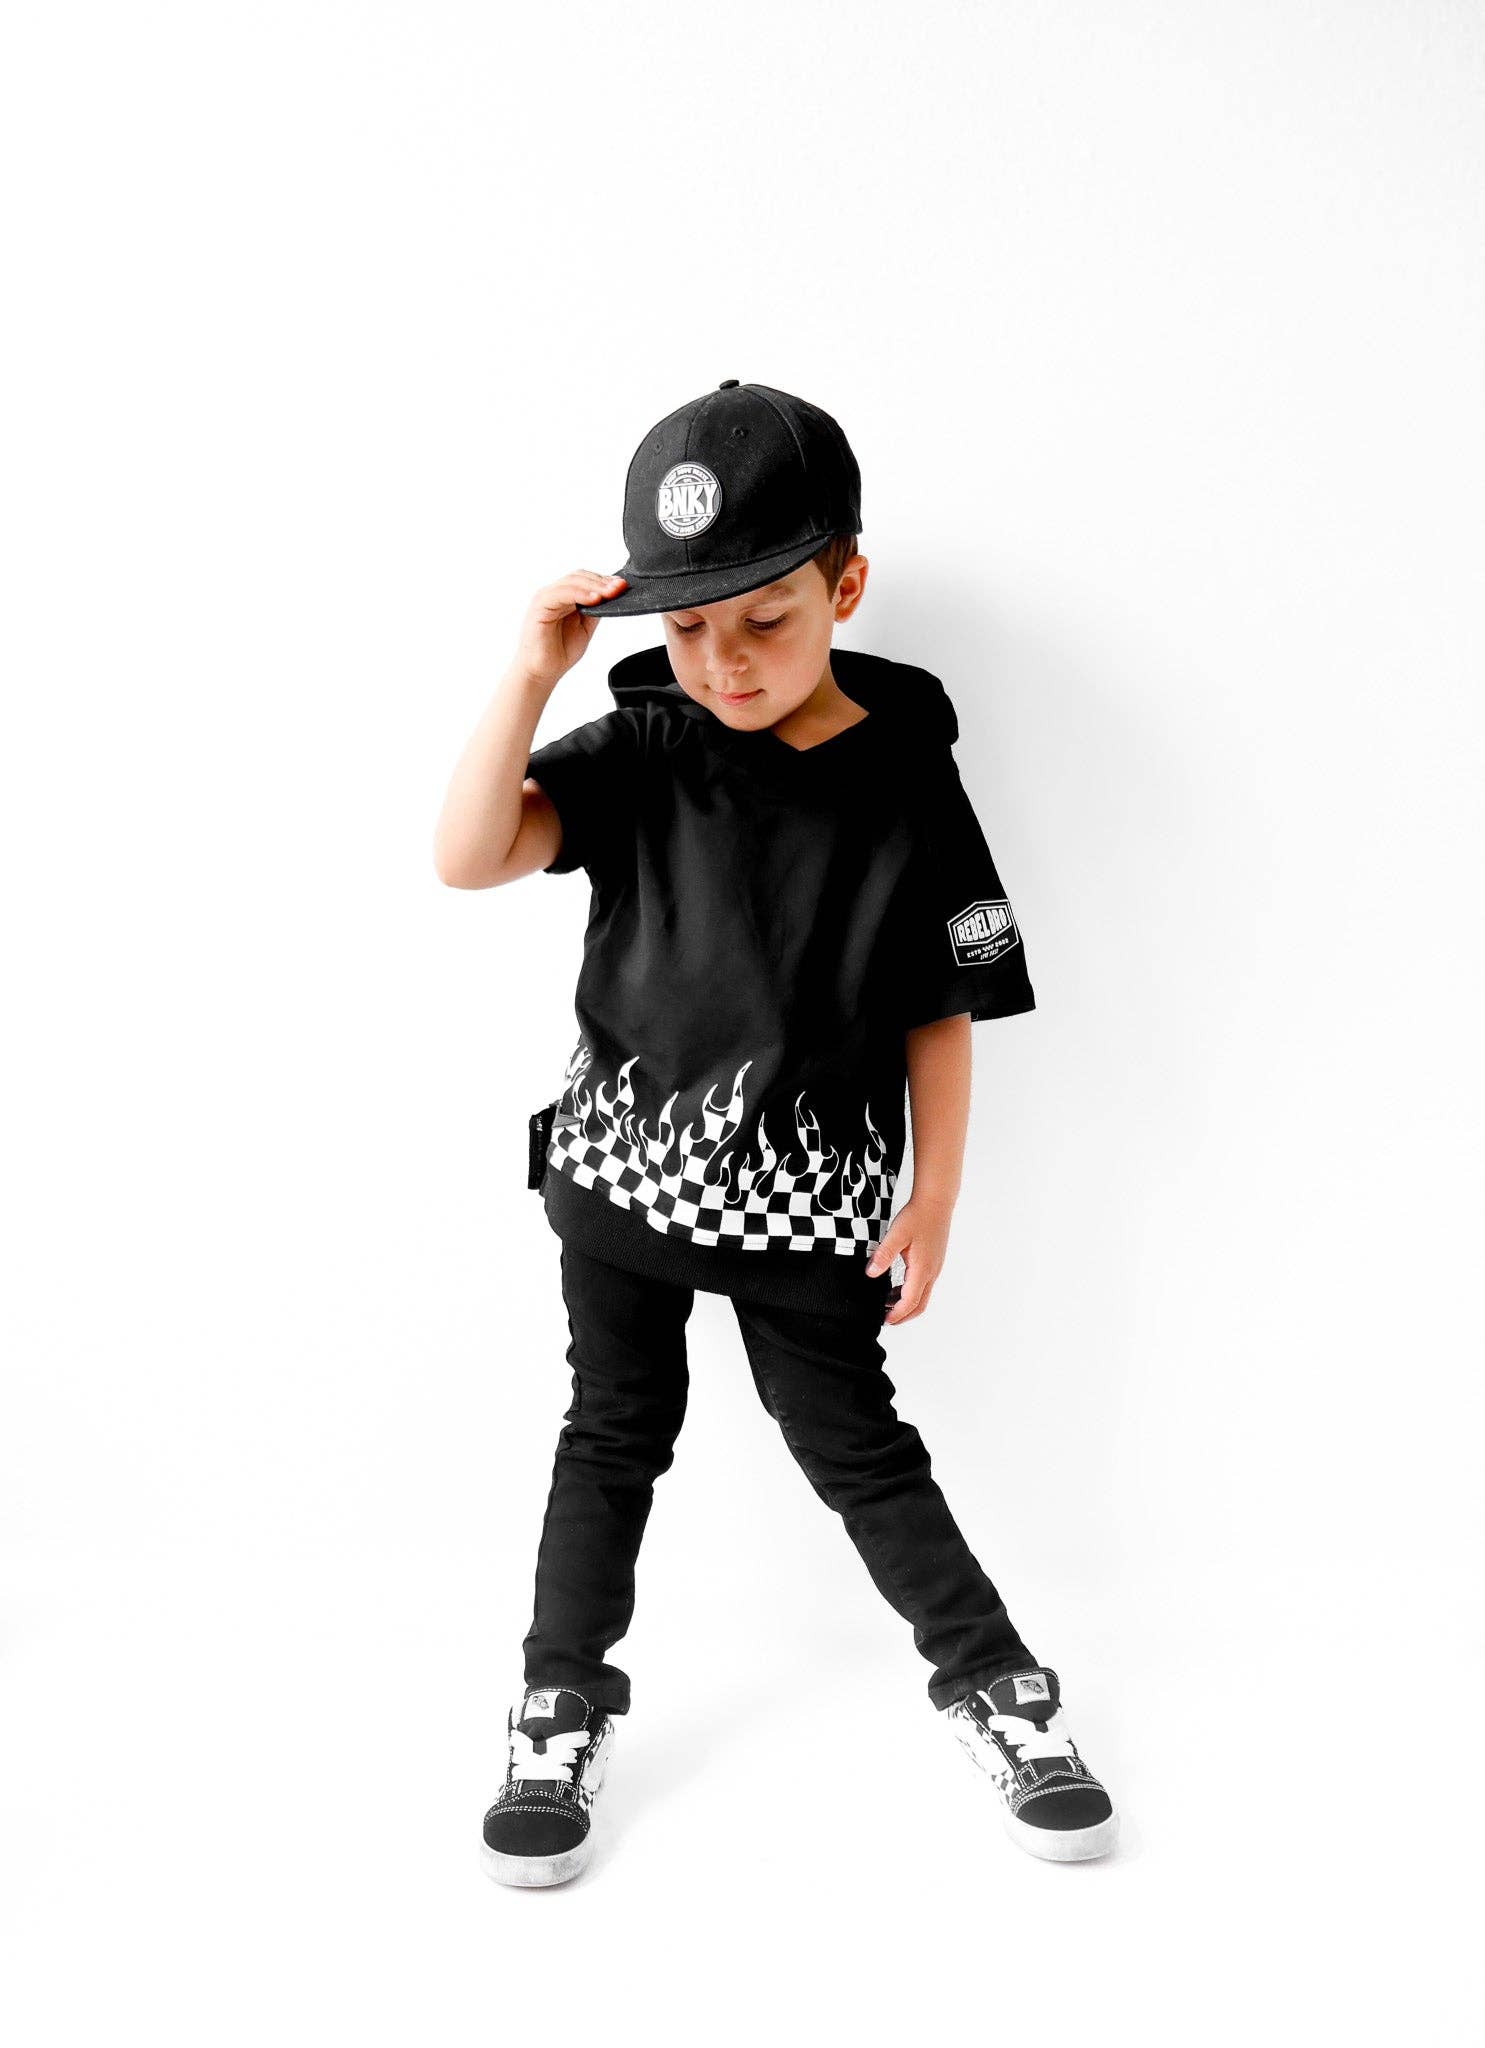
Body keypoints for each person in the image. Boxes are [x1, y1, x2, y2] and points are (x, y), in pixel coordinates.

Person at [434, 379, 1118, 1887]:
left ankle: (997, 1685)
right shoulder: (640, 747)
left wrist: (935, 1195)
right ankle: (558, 1702)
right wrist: (531, 674)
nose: (725, 662)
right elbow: (468, 857)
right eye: (688, 628)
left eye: (764, 619)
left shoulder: (907, 777)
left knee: (858, 1448)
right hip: (623, 1182)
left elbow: (941, 1002)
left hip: (808, 1201)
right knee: (611, 1435)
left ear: (844, 587)